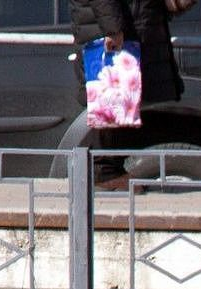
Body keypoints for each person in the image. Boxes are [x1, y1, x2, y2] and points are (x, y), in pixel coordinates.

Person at [71, 0, 185, 187]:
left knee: (121, 102)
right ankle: (103, 172)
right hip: (114, 35)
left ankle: (108, 170)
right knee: (111, 102)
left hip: (130, 30)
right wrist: (113, 29)